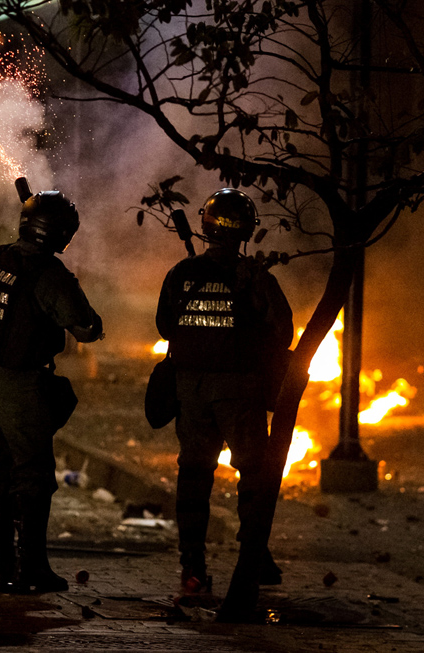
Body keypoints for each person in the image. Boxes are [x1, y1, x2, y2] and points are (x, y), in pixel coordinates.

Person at [155, 188, 293, 602]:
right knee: (253, 473)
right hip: (239, 389)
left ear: (206, 226)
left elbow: (165, 326)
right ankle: (254, 555)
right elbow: (283, 332)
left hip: (191, 388)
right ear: (247, 230)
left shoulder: (181, 273)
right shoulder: (256, 278)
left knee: (194, 474)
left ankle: (192, 566)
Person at [0, 187, 103, 594]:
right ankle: (31, 567)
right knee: (34, 474)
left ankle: (1, 559)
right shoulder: (49, 275)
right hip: (19, 382)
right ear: (61, 235)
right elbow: (86, 326)